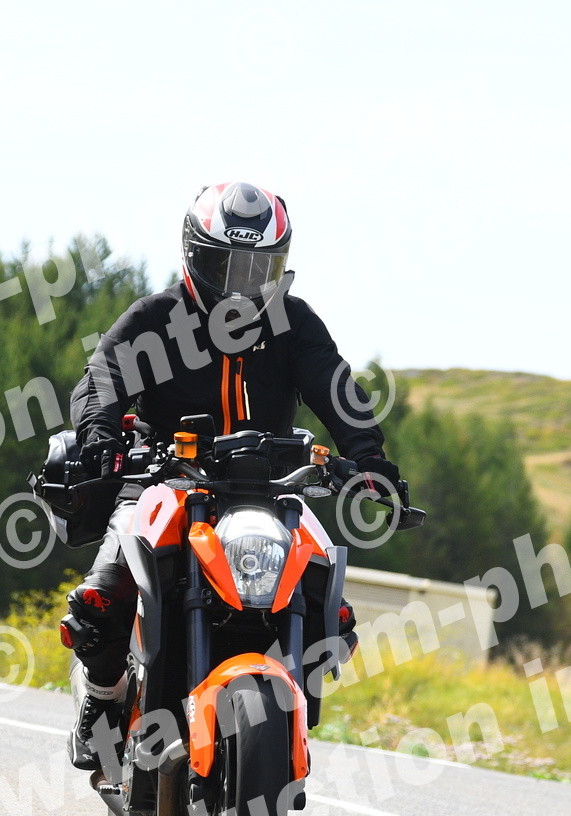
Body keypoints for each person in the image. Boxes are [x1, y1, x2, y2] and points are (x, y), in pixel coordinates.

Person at [65, 181, 402, 770]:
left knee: (331, 607)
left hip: (270, 491)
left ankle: (280, 716)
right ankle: (104, 695)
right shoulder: (157, 318)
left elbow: (334, 385)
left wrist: (369, 460)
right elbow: (104, 378)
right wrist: (101, 437)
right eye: (229, 264)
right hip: (163, 480)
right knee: (101, 597)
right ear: (195, 255)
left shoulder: (294, 323)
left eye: (259, 267)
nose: (243, 283)